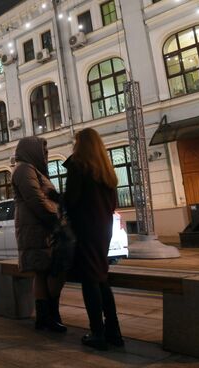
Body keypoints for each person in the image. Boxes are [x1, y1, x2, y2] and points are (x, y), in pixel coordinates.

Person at [63, 128, 122, 350]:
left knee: (90, 281)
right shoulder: (106, 172)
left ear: (82, 145)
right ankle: (114, 331)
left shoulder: (78, 166)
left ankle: (98, 332)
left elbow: (71, 200)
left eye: (76, 142)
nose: (74, 145)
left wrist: (55, 197)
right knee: (101, 277)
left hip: (85, 230)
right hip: (103, 229)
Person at [12, 136, 66, 333]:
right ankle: (47, 317)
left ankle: (48, 317)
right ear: (31, 151)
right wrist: (56, 220)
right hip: (36, 229)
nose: (46, 155)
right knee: (45, 272)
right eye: (43, 151)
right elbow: (35, 199)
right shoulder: (24, 169)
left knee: (44, 273)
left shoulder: (32, 170)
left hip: (40, 228)